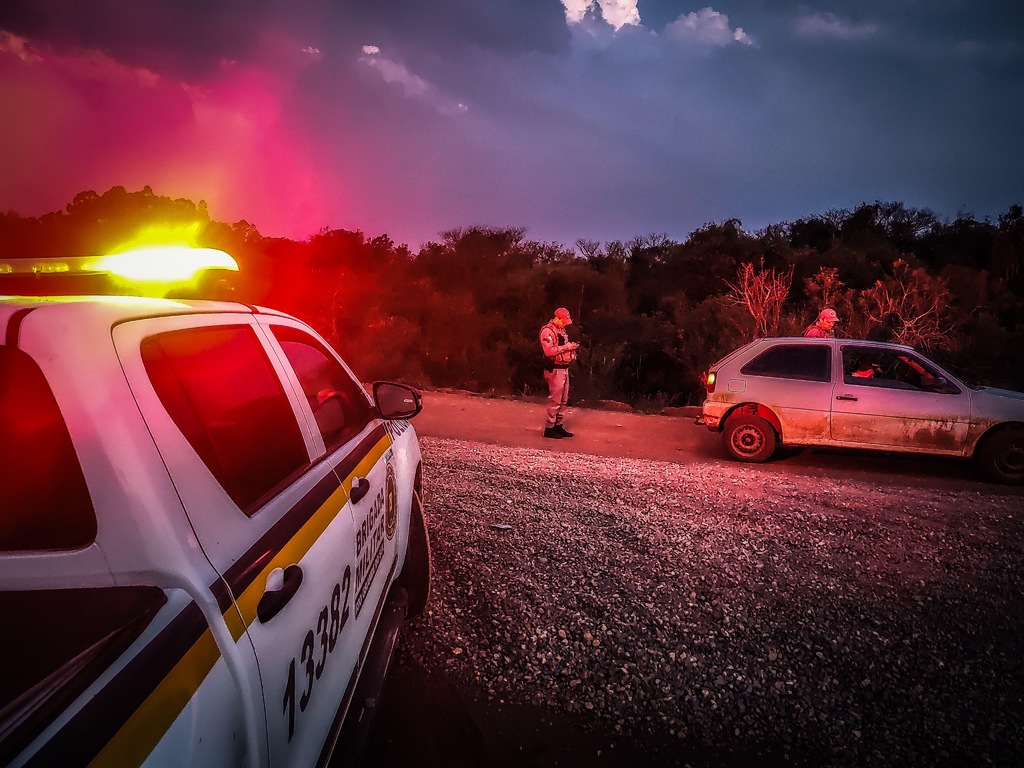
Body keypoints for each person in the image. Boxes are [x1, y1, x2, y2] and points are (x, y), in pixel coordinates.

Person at [539, 307, 579, 439]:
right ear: (557, 318)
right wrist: (567, 347)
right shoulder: (547, 331)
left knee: (563, 399)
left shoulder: (561, 330)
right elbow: (549, 351)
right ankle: (549, 428)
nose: (565, 324)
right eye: (564, 321)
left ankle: (558, 425)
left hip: (564, 368)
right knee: (555, 399)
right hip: (555, 369)